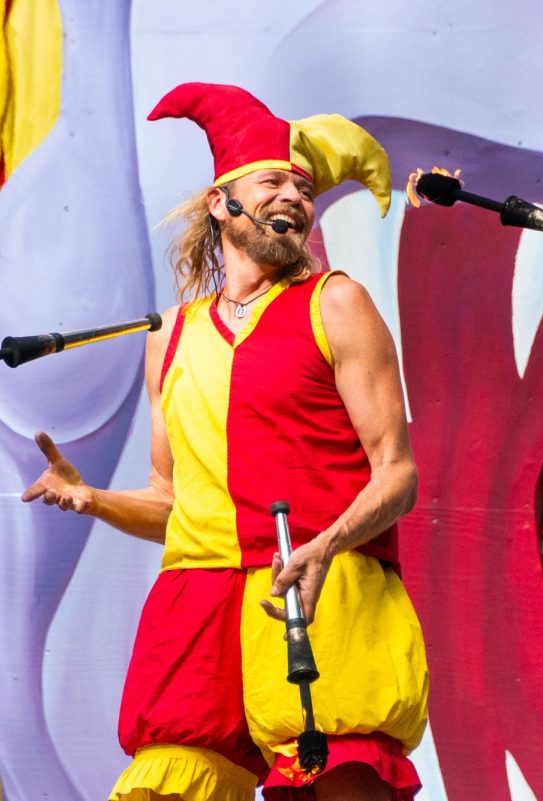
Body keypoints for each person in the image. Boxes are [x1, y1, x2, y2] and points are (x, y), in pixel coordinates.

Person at [23, 82, 428, 801]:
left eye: (304, 189)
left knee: (338, 779)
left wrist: (326, 545)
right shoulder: (171, 336)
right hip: (198, 599)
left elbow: (397, 474)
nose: (295, 198)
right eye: (274, 180)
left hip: (317, 588)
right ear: (220, 202)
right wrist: (92, 499)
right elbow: (169, 500)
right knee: (170, 784)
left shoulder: (336, 303)